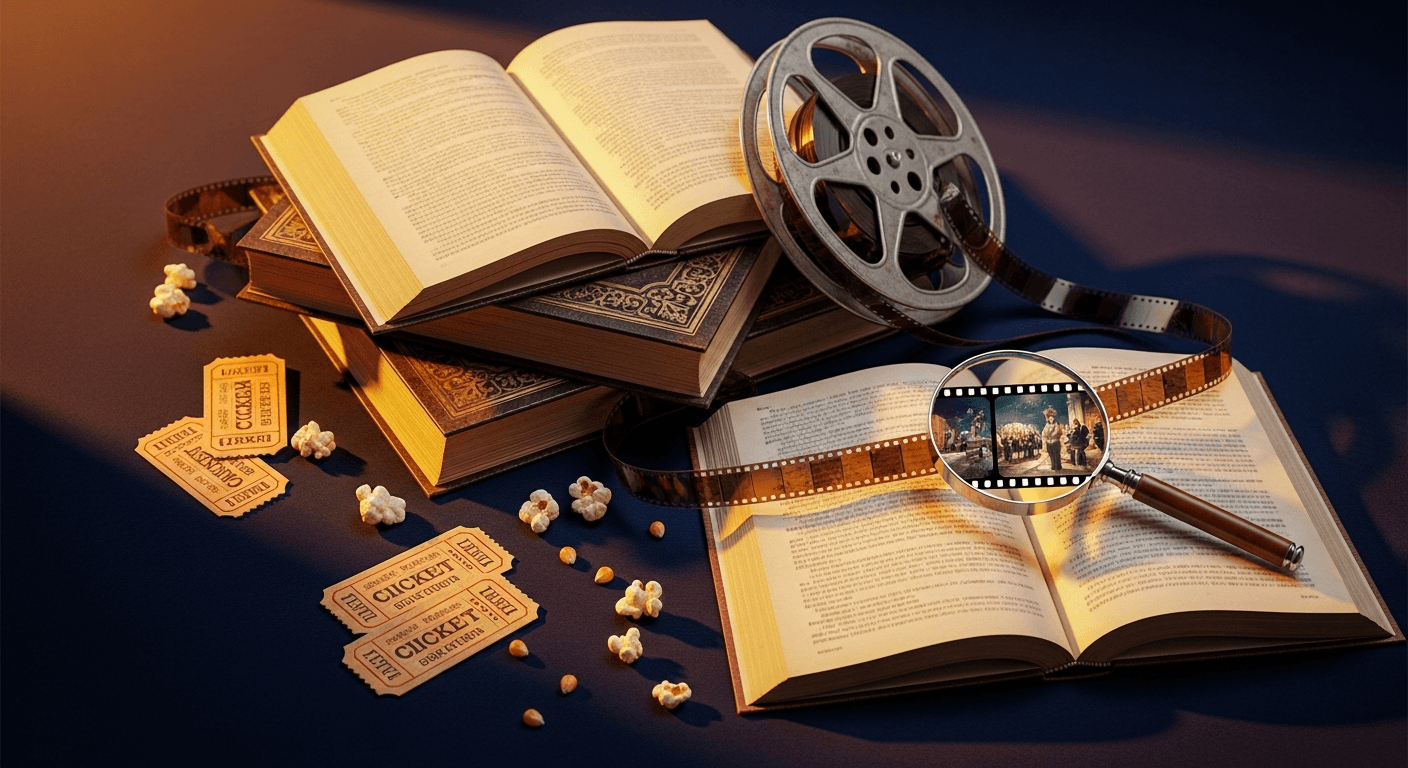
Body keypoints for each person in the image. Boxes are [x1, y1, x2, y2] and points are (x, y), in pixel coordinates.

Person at [1042, 406, 1064, 471]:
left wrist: (1049, 434)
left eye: (1052, 418)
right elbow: (1043, 433)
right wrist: (1045, 437)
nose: (1051, 419)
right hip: (1049, 442)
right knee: (1051, 455)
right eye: (1050, 418)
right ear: (1048, 419)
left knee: (1056, 454)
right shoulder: (1046, 425)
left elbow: (1056, 432)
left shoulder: (1056, 424)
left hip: (1055, 442)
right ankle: (1053, 466)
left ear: (1054, 418)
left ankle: (1058, 466)